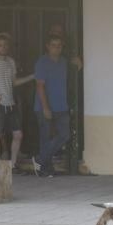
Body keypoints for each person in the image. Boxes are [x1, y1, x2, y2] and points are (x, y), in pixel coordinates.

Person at [32, 35, 78, 177]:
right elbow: (40, 86)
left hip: (61, 107)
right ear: (47, 46)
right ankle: (44, 169)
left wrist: (77, 62)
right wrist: (46, 107)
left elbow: (73, 68)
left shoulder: (63, 62)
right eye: (53, 45)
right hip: (44, 107)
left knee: (64, 135)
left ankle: (40, 160)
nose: (56, 48)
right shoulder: (42, 62)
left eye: (59, 45)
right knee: (45, 138)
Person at [0, 32, 33, 173]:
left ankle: (12, 164)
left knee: (18, 134)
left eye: (5, 45)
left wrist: (32, 77)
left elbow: (14, 82)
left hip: (10, 102)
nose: (3, 47)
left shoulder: (11, 62)